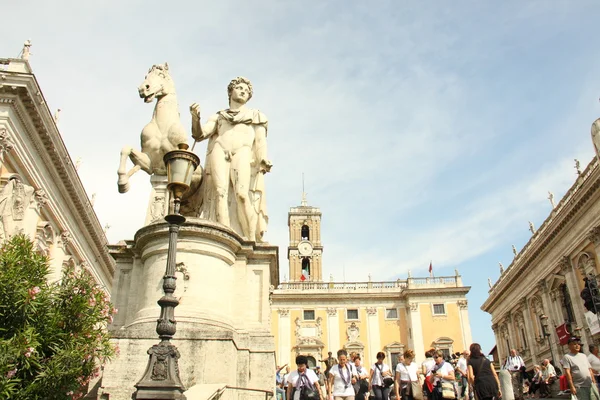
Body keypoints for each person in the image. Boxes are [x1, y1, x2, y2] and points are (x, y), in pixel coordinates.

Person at [190, 77, 272, 242]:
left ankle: (250, 240)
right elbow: (199, 135)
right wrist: (195, 118)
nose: (242, 91)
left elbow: (260, 141)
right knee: (220, 193)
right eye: (239, 88)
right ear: (230, 91)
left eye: (246, 90)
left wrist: (263, 159)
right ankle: (225, 239)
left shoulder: (256, 116)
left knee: (242, 194)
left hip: (242, 151)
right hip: (220, 149)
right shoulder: (219, 116)